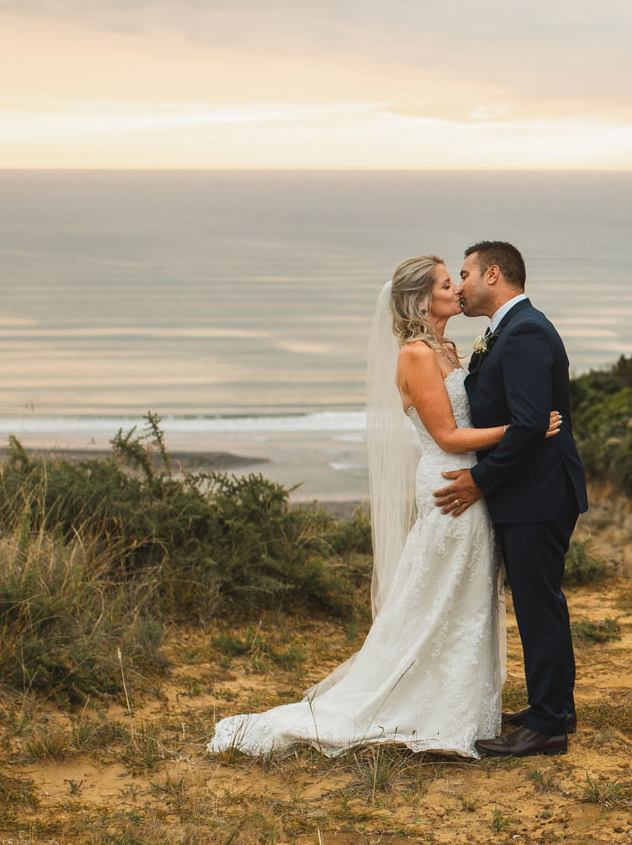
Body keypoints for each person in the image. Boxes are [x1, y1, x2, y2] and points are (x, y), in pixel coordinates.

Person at [205, 254, 562, 758]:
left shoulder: (449, 348)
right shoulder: (415, 355)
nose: (458, 289)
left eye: (459, 278)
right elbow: (447, 434)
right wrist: (521, 429)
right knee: (437, 593)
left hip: (472, 483)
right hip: (448, 483)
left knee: (465, 596)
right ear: (421, 300)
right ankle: (415, 702)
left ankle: (463, 700)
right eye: (447, 283)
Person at [432, 240, 589, 757]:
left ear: (493, 274)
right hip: (535, 491)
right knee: (541, 602)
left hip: (537, 494)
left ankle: (547, 726)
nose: (460, 284)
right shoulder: (509, 330)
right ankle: (555, 705)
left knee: (538, 605)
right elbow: (523, 420)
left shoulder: (522, 333)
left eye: (466, 273)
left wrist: (480, 482)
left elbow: (526, 426)